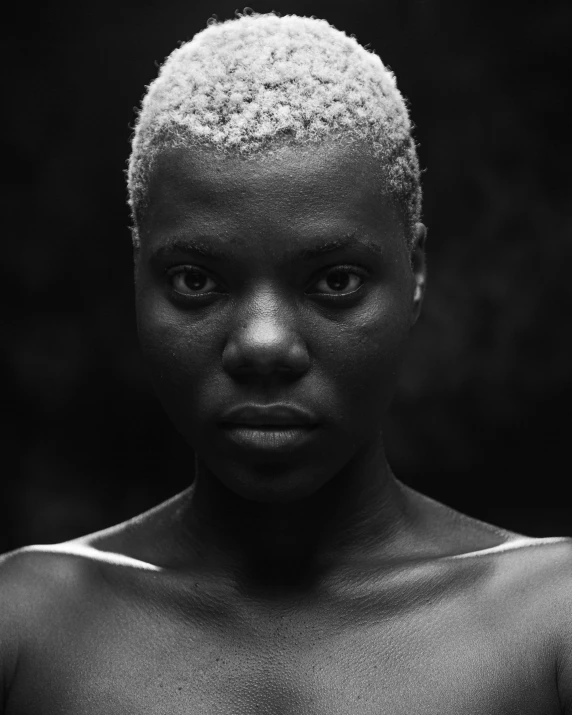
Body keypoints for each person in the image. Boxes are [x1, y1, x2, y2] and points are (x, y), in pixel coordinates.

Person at [1, 10, 571, 713]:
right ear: (137, 279)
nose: (264, 345)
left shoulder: (552, 623)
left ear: (415, 272)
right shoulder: (25, 628)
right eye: (195, 280)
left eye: (334, 280)